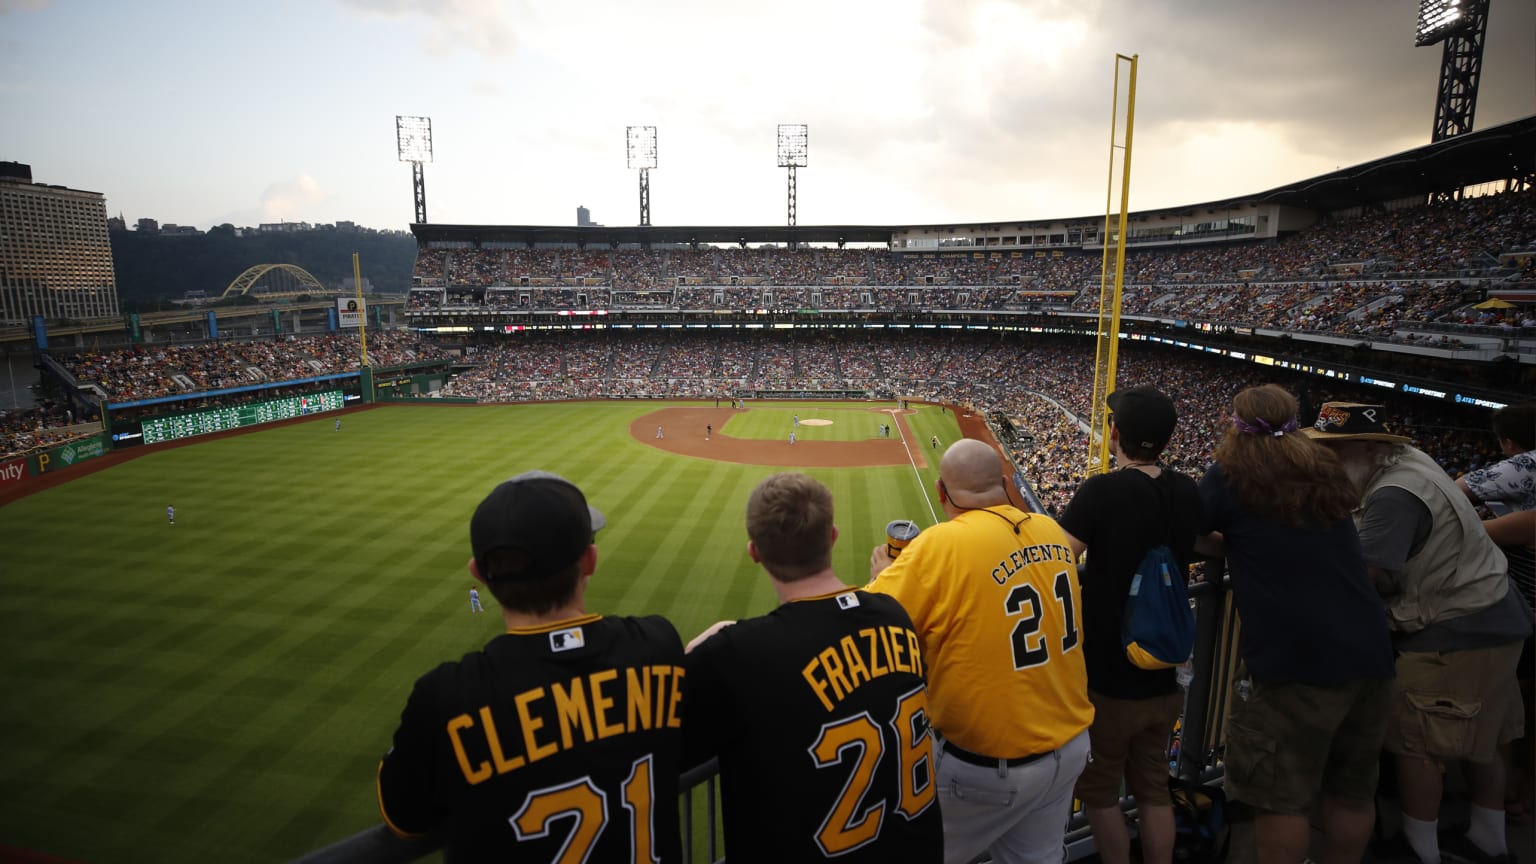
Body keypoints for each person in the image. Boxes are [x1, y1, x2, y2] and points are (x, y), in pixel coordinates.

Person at [376, 471, 685, 861]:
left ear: (478, 573)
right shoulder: (658, 646)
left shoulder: (445, 698)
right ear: (590, 561)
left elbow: (406, 817)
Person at [1306, 402, 1532, 864]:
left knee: (1417, 744)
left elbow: (1364, 577)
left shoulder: (1393, 494)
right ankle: (1489, 841)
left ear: (1367, 446)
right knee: (1484, 736)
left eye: (1334, 448)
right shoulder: (1411, 462)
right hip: (1494, 614)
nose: (1325, 457)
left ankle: (1419, 850)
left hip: (1453, 626)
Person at [682, 473, 943, 862]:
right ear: (833, 536)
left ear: (754, 552)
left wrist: (706, 646)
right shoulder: (895, 615)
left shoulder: (736, 652)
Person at [868, 438, 1093, 864]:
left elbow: (873, 627)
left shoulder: (939, 544)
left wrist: (886, 575)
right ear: (1007, 484)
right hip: (1068, 750)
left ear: (941, 491)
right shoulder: (1048, 528)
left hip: (989, 765)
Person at [1197, 386, 1396, 864]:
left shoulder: (1230, 473)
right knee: (1352, 791)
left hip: (1297, 661)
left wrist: (1236, 548)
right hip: (1370, 648)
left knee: (1279, 799)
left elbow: (1191, 533)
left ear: (1235, 422)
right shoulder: (1323, 465)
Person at [1057, 386, 1203, 864]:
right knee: (1154, 788)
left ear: (1116, 433)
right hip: (1165, 672)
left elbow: (1059, 559)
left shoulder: (1103, 490)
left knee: (1099, 793)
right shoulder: (1186, 489)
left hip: (1110, 677)